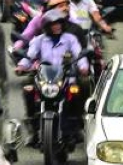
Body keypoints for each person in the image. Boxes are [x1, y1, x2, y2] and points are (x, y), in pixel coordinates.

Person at [15, 9, 90, 146]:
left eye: (59, 23)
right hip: (45, 78)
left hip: (67, 77)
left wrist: (83, 67)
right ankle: (33, 128)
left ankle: (78, 124)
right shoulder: (39, 40)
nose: (57, 26)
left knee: (81, 87)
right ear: (47, 26)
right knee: (27, 88)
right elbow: (30, 56)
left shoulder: (70, 39)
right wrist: (21, 66)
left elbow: (80, 55)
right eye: (53, 24)